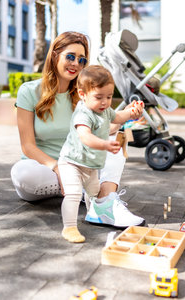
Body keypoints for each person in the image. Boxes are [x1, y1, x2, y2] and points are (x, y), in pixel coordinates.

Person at [10, 31, 145, 232]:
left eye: (82, 60)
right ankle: (84, 193)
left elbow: (103, 128)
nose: (76, 64)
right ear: (55, 55)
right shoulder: (29, 91)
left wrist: (128, 115)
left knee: (116, 139)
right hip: (46, 172)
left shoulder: (84, 96)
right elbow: (27, 146)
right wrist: (58, 169)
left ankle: (104, 203)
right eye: (70, 57)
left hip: (78, 167)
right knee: (22, 173)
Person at [58, 65, 144, 243]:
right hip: (72, 163)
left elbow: (117, 118)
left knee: (95, 192)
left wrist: (131, 112)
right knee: (73, 193)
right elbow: (85, 137)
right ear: (82, 94)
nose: (105, 102)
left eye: (109, 97)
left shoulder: (103, 110)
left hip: (90, 166)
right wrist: (105, 144)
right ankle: (69, 227)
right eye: (99, 97)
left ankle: (95, 213)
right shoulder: (83, 113)